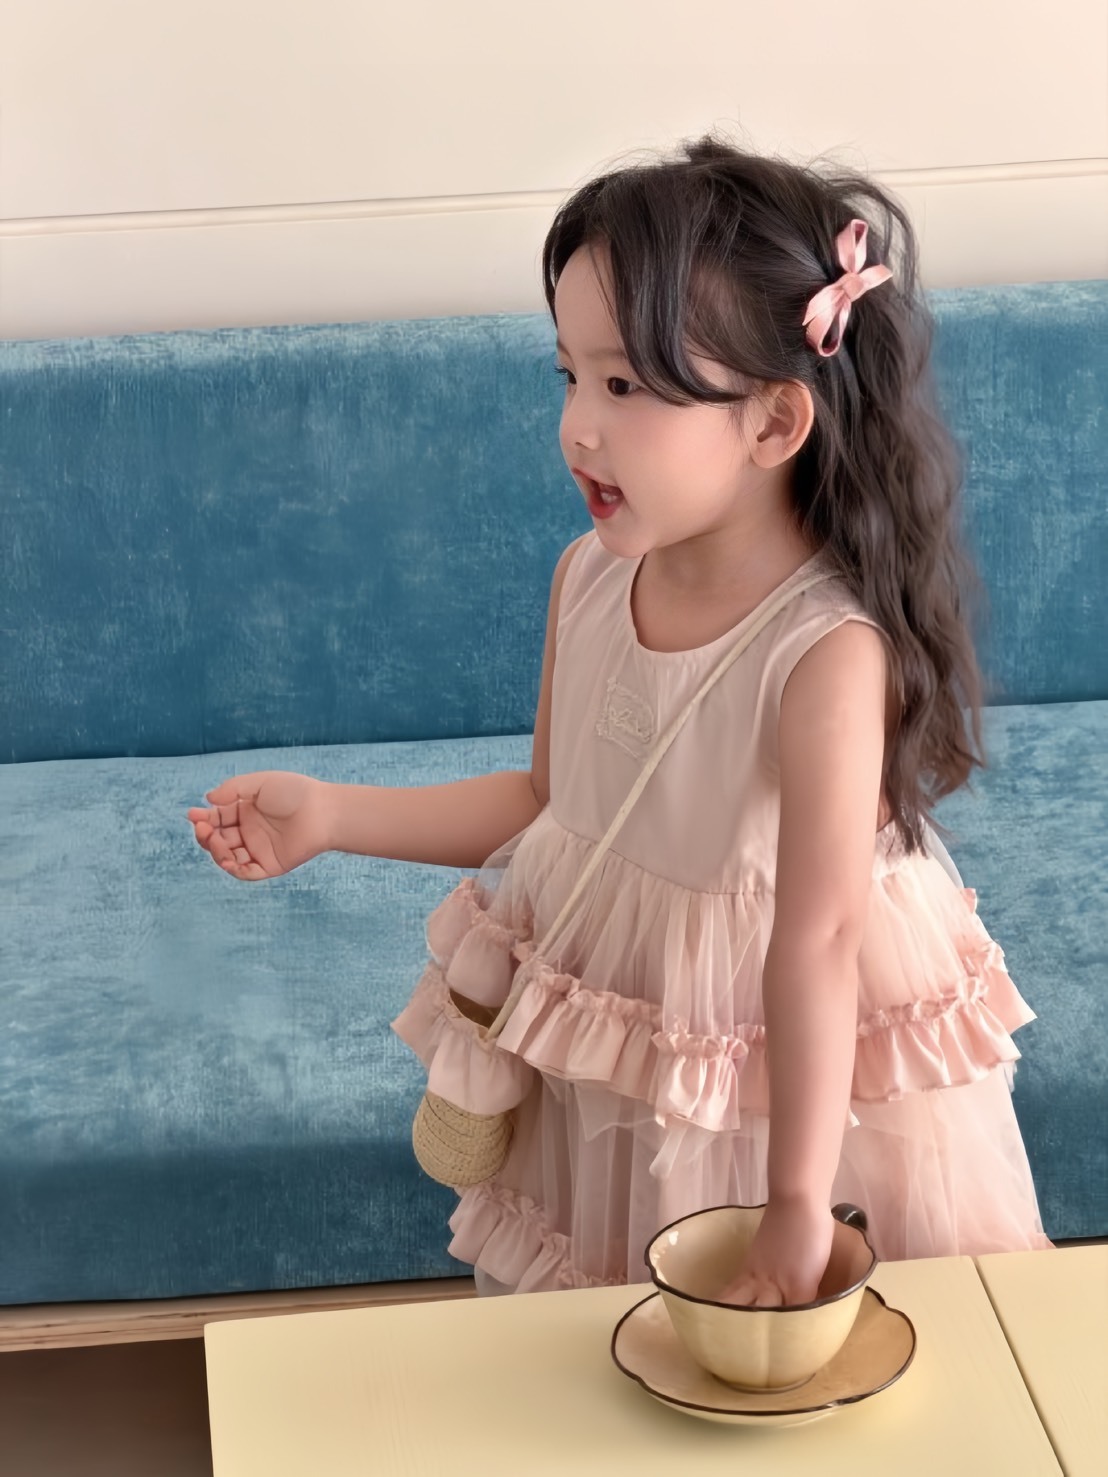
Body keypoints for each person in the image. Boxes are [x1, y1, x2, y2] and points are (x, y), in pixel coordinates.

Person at [188, 134, 1051, 1308]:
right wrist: (334, 816)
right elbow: (555, 805)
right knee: (609, 1326)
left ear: (773, 423)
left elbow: (816, 945)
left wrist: (797, 1203)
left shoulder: (823, 655)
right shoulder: (588, 579)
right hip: (618, 1047)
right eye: (570, 376)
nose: (577, 429)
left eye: (627, 387)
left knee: (792, 1348)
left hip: (769, 1084)